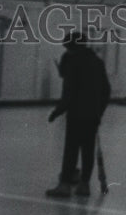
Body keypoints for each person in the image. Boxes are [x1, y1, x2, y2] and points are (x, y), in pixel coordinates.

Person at [46, 30, 111, 198]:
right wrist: (99, 112)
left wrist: (57, 112)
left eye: (67, 46)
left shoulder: (73, 62)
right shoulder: (97, 61)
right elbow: (106, 90)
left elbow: (69, 93)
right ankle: (84, 185)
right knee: (88, 150)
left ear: (71, 46)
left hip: (75, 114)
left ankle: (65, 185)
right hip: (92, 115)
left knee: (71, 150)